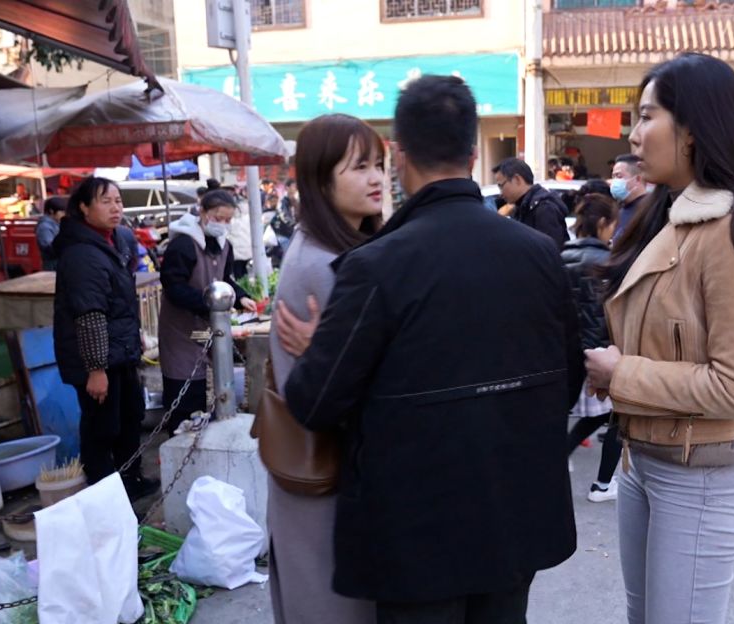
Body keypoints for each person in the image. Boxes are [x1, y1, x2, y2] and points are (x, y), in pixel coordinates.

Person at [281, 76, 583, 623]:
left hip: (413, 535)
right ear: (473, 153)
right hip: (515, 516)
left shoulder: (375, 265)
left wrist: (321, 347)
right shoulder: (539, 253)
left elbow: (315, 404)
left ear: (399, 155)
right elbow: (568, 380)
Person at [583, 53, 734, 624]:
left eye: (647, 116)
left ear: (691, 130)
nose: (633, 134)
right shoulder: (665, 215)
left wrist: (620, 375)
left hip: (700, 475)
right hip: (644, 457)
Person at [265, 113, 383, 624]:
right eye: (359, 167)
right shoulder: (324, 264)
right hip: (327, 471)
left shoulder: (339, 250)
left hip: (322, 468)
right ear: (318, 178)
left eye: (379, 164)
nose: (377, 178)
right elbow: (346, 385)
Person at [52, 177, 157, 497]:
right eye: (105, 201)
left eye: (118, 201)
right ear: (83, 208)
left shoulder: (115, 241)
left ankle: (131, 480)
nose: (115, 208)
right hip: (95, 357)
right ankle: (103, 493)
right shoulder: (82, 253)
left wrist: (134, 335)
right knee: (102, 427)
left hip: (120, 349)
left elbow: (121, 302)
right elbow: (90, 315)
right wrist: (96, 370)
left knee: (130, 418)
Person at [158, 189, 255, 431]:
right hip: (181, 332)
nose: (222, 224)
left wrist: (240, 297)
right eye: (217, 217)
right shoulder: (182, 245)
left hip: (205, 330)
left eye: (227, 220)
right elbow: (173, 286)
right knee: (185, 392)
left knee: (212, 390)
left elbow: (224, 279)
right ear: (202, 212)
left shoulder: (224, 246)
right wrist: (210, 304)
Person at [562, 193, 622, 503]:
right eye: (612, 224)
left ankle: (559, 457)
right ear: (602, 223)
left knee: (601, 417)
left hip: (569, 353)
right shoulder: (609, 263)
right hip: (602, 353)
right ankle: (602, 484)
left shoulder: (559, 257)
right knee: (617, 419)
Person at [492, 157, 570, 248]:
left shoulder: (544, 208)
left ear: (517, 179)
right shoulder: (522, 207)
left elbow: (550, 251)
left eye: (501, 186)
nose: (501, 193)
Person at [610, 154, 647, 240]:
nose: (615, 181)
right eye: (613, 177)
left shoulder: (650, 210)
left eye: (619, 176)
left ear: (637, 179)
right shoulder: (618, 211)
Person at [37, 196, 67, 271]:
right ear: (51, 211)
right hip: (52, 266)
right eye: (62, 212)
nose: (64, 214)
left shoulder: (57, 224)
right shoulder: (45, 227)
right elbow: (49, 248)